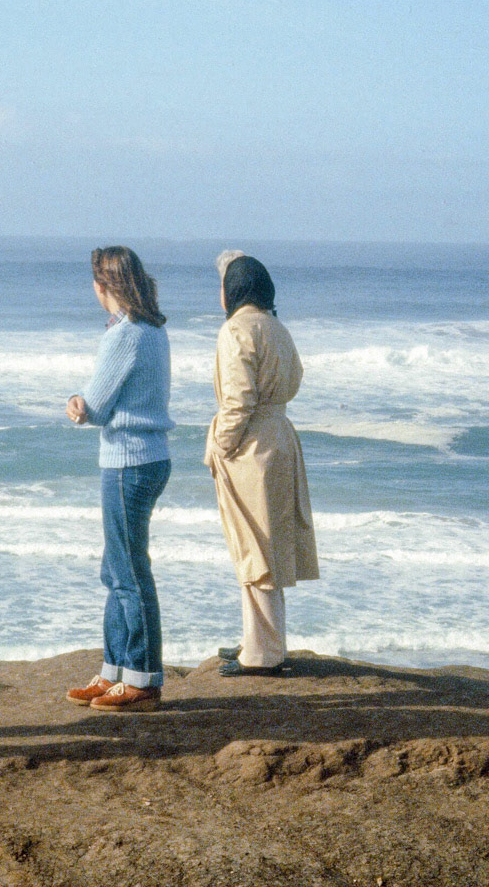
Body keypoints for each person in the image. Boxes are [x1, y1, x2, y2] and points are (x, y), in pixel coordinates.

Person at [63, 246, 175, 713]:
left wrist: (76, 404)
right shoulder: (151, 329)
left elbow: (97, 406)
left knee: (127, 571)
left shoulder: (125, 335)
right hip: (146, 457)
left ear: (102, 285)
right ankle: (115, 671)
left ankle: (142, 678)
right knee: (117, 569)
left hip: (128, 460)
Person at [204, 251, 317, 677]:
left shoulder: (236, 330)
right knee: (267, 546)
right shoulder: (276, 326)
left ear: (232, 290)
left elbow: (237, 401)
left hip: (251, 446)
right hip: (279, 436)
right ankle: (261, 640)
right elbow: (296, 379)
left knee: (254, 549)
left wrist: (221, 444)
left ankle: (263, 652)